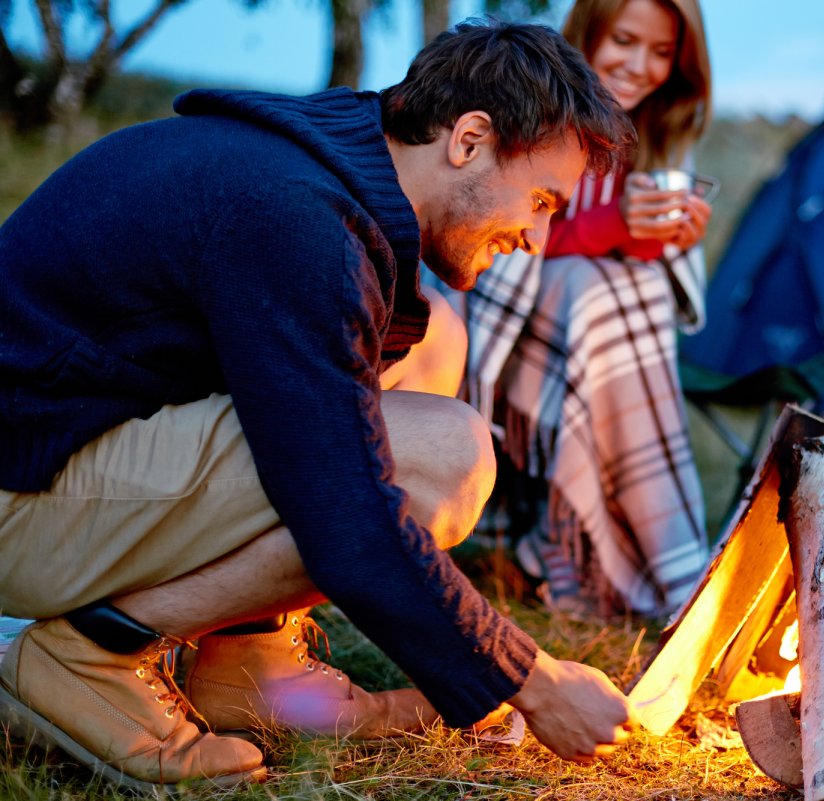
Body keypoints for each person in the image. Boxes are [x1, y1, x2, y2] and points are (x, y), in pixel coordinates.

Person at [0, 19, 638, 792]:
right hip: (22, 491)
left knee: (434, 344)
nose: (536, 235)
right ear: (468, 140)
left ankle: (250, 663)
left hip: (71, 437)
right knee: (446, 457)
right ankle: (90, 653)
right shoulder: (296, 217)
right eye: (539, 199)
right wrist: (529, 679)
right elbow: (345, 512)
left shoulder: (330, 172)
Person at [448, 0, 713, 617]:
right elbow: (497, 242)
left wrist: (671, 244)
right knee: (591, 288)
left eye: (662, 51)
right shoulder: (534, 112)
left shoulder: (664, 137)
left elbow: (648, 274)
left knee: (621, 289)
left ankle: (600, 554)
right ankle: (676, 570)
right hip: (507, 339)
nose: (640, 66)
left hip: (591, 351)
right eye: (624, 40)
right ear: (588, 32)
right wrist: (610, 228)